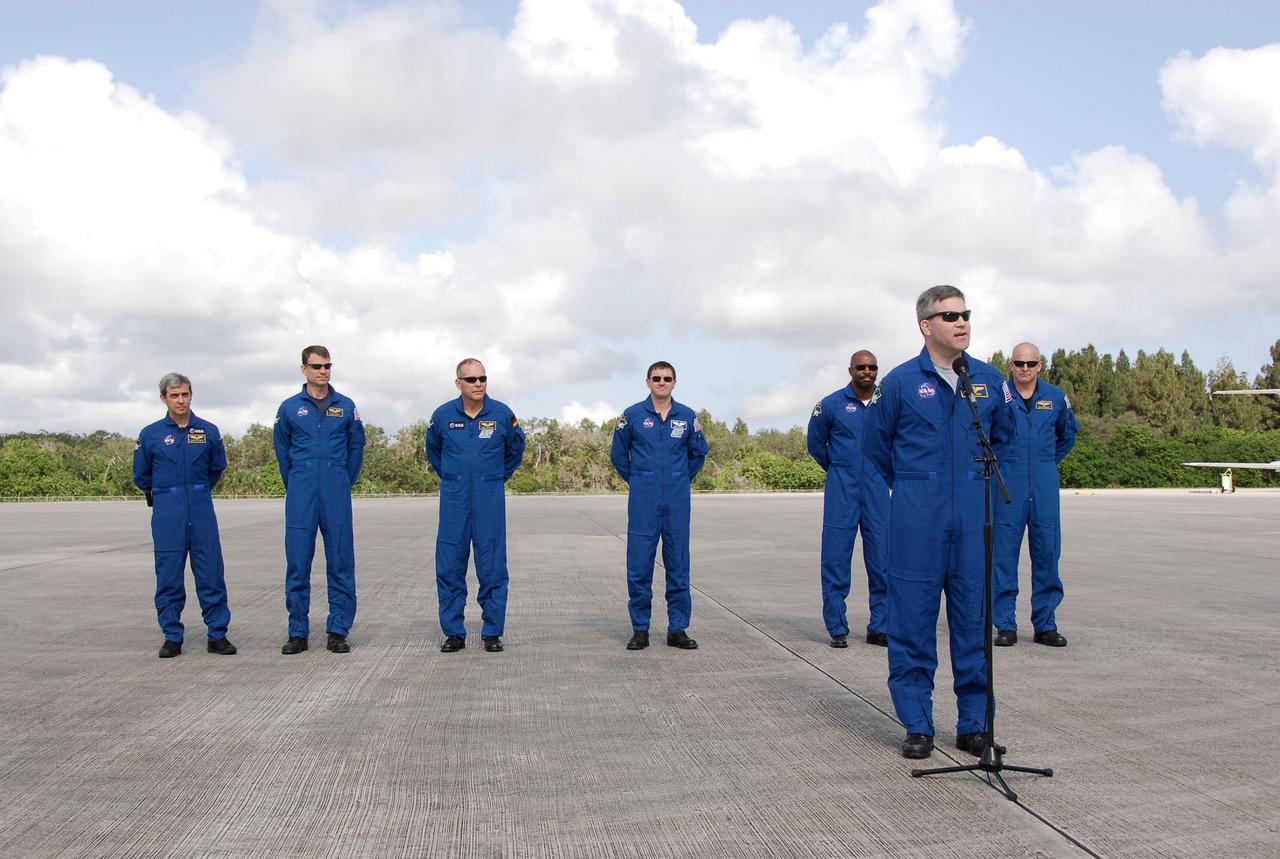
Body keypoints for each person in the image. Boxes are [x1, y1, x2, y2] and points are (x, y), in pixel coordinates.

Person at [863, 286, 1012, 760]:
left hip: (973, 515)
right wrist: (916, 485)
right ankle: (918, 723)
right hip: (917, 517)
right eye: (950, 316)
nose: (962, 322)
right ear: (927, 326)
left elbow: (1003, 438)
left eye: (966, 314)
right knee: (913, 619)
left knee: (973, 620)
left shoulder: (987, 380)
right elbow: (876, 446)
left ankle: (974, 724)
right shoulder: (902, 382)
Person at [426, 359, 526, 653]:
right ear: (459, 383)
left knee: (492, 564)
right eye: (471, 379)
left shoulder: (502, 414)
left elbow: (516, 450)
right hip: (454, 496)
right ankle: (454, 632)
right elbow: (433, 450)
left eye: (483, 378)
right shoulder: (443, 415)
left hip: (488, 496)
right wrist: (451, 476)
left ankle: (492, 632)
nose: (479, 383)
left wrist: (495, 477)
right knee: (450, 564)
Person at [132, 373, 235, 658]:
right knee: (168, 574)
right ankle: (172, 636)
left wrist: (197, 491)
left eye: (185, 394)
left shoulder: (208, 431)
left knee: (211, 571)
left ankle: (217, 634)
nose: (181, 400)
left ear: (191, 395)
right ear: (164, 398)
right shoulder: (150, 434)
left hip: (201, 506)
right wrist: (167, 493)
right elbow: (141, 475)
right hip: (168, 509)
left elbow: (217, 466)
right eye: (175, 395)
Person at [273, 345, 366, 655]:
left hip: (335, 489)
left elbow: (356, 449)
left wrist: (341, 479)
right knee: (298, 562)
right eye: (316, 366)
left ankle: (338, 629)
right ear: (303, 369)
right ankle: (297, 631)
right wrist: (298, 481)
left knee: (341, 561)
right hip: (301, 489)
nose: (323, 371)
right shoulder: (289, 408)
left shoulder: (346, 406)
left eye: (327, 365)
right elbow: (282, 452)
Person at [610, 361, 709, 651]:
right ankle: (640, 629)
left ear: (675, 383)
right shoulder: (633, 415)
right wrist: (640, 479)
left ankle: (677, 628)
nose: (662, 382)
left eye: (667, 378)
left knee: (678, 563)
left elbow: (699, 452)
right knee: (639, 564)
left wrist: (680, 478)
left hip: (677, 498)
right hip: (644, 499)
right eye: (657, 378)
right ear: (648, 381)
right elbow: (618, 454)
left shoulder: (687, 416)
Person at [992, 342, 1078, 648]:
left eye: (1031, 364)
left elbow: (1067, 435)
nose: (1025, 369)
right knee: (1003, 555)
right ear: (1011, 365)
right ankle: (1005, 624)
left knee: (1047, 552)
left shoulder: (1055, 398)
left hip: (1043, 480)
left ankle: (1045, 624)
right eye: (1019, 363)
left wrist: (1044, 461)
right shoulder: (998, 398)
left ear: (1040, 366)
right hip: (1008, 484)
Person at [807, 350, 890, 648]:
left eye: (872, 367)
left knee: (883, 559)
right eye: (861, 367)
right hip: (843, 487)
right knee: (836, 558)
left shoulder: (888, 403)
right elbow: (816, 443)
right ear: (850, 370)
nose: (867, 371)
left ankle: (880, 626)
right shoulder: (830, 405)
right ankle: (837, 627)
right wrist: (839, 466)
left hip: (878, 488)